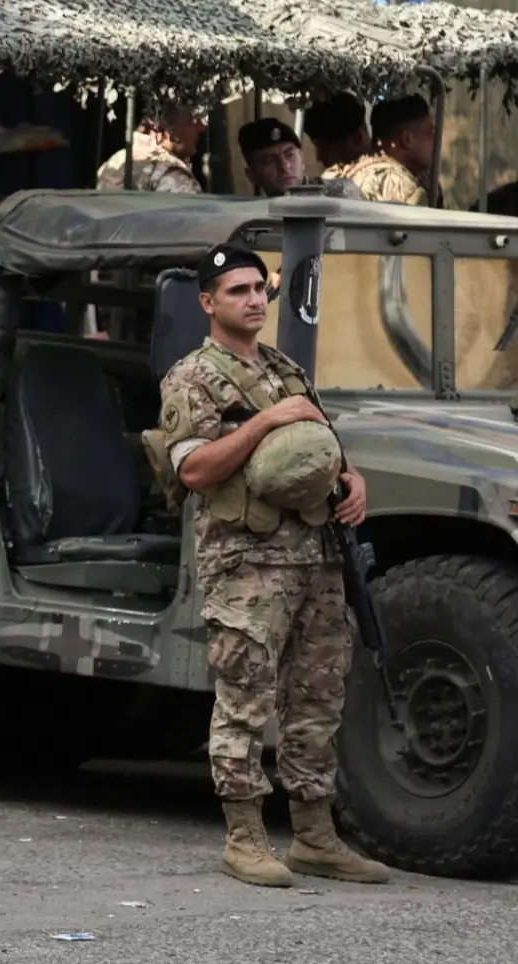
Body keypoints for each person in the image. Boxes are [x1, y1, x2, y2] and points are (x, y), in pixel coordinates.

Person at [149, 242, 390, 888]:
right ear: (207, 302)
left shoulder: (284, 368)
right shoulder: (192, 378)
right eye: (237, 291)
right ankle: (245, 837)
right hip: (247, 564)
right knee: (245, 700)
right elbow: (192, 469)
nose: (254, 300)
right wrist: (266, 423)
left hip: (315, 556)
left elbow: (321, 445)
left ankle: (313, 835)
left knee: (318, 697)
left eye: (259, 288)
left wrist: (353, 477)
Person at [236, 117, 362, 200]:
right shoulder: (251, 218)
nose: (284, 166)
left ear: (301, 159)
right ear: (251, 175)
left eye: (289, 155)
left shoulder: (340, 193)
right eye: (270, 160)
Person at [96, 104, 205, 193]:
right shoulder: (172, 174)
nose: (198, 129)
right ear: (170, 133)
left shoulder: (116, 160)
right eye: (190, 123)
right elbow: (192, 216)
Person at [347, 94, 433, 206]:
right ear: (407, 139)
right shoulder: (402, 187)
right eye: (430, 132)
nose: (435, 140)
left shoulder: (356, 170)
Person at [302, 93, 373, 182]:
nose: (319, 157)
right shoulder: (332, 176)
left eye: (325, 148)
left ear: (357, 138)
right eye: (317, 147)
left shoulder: (386, 178)